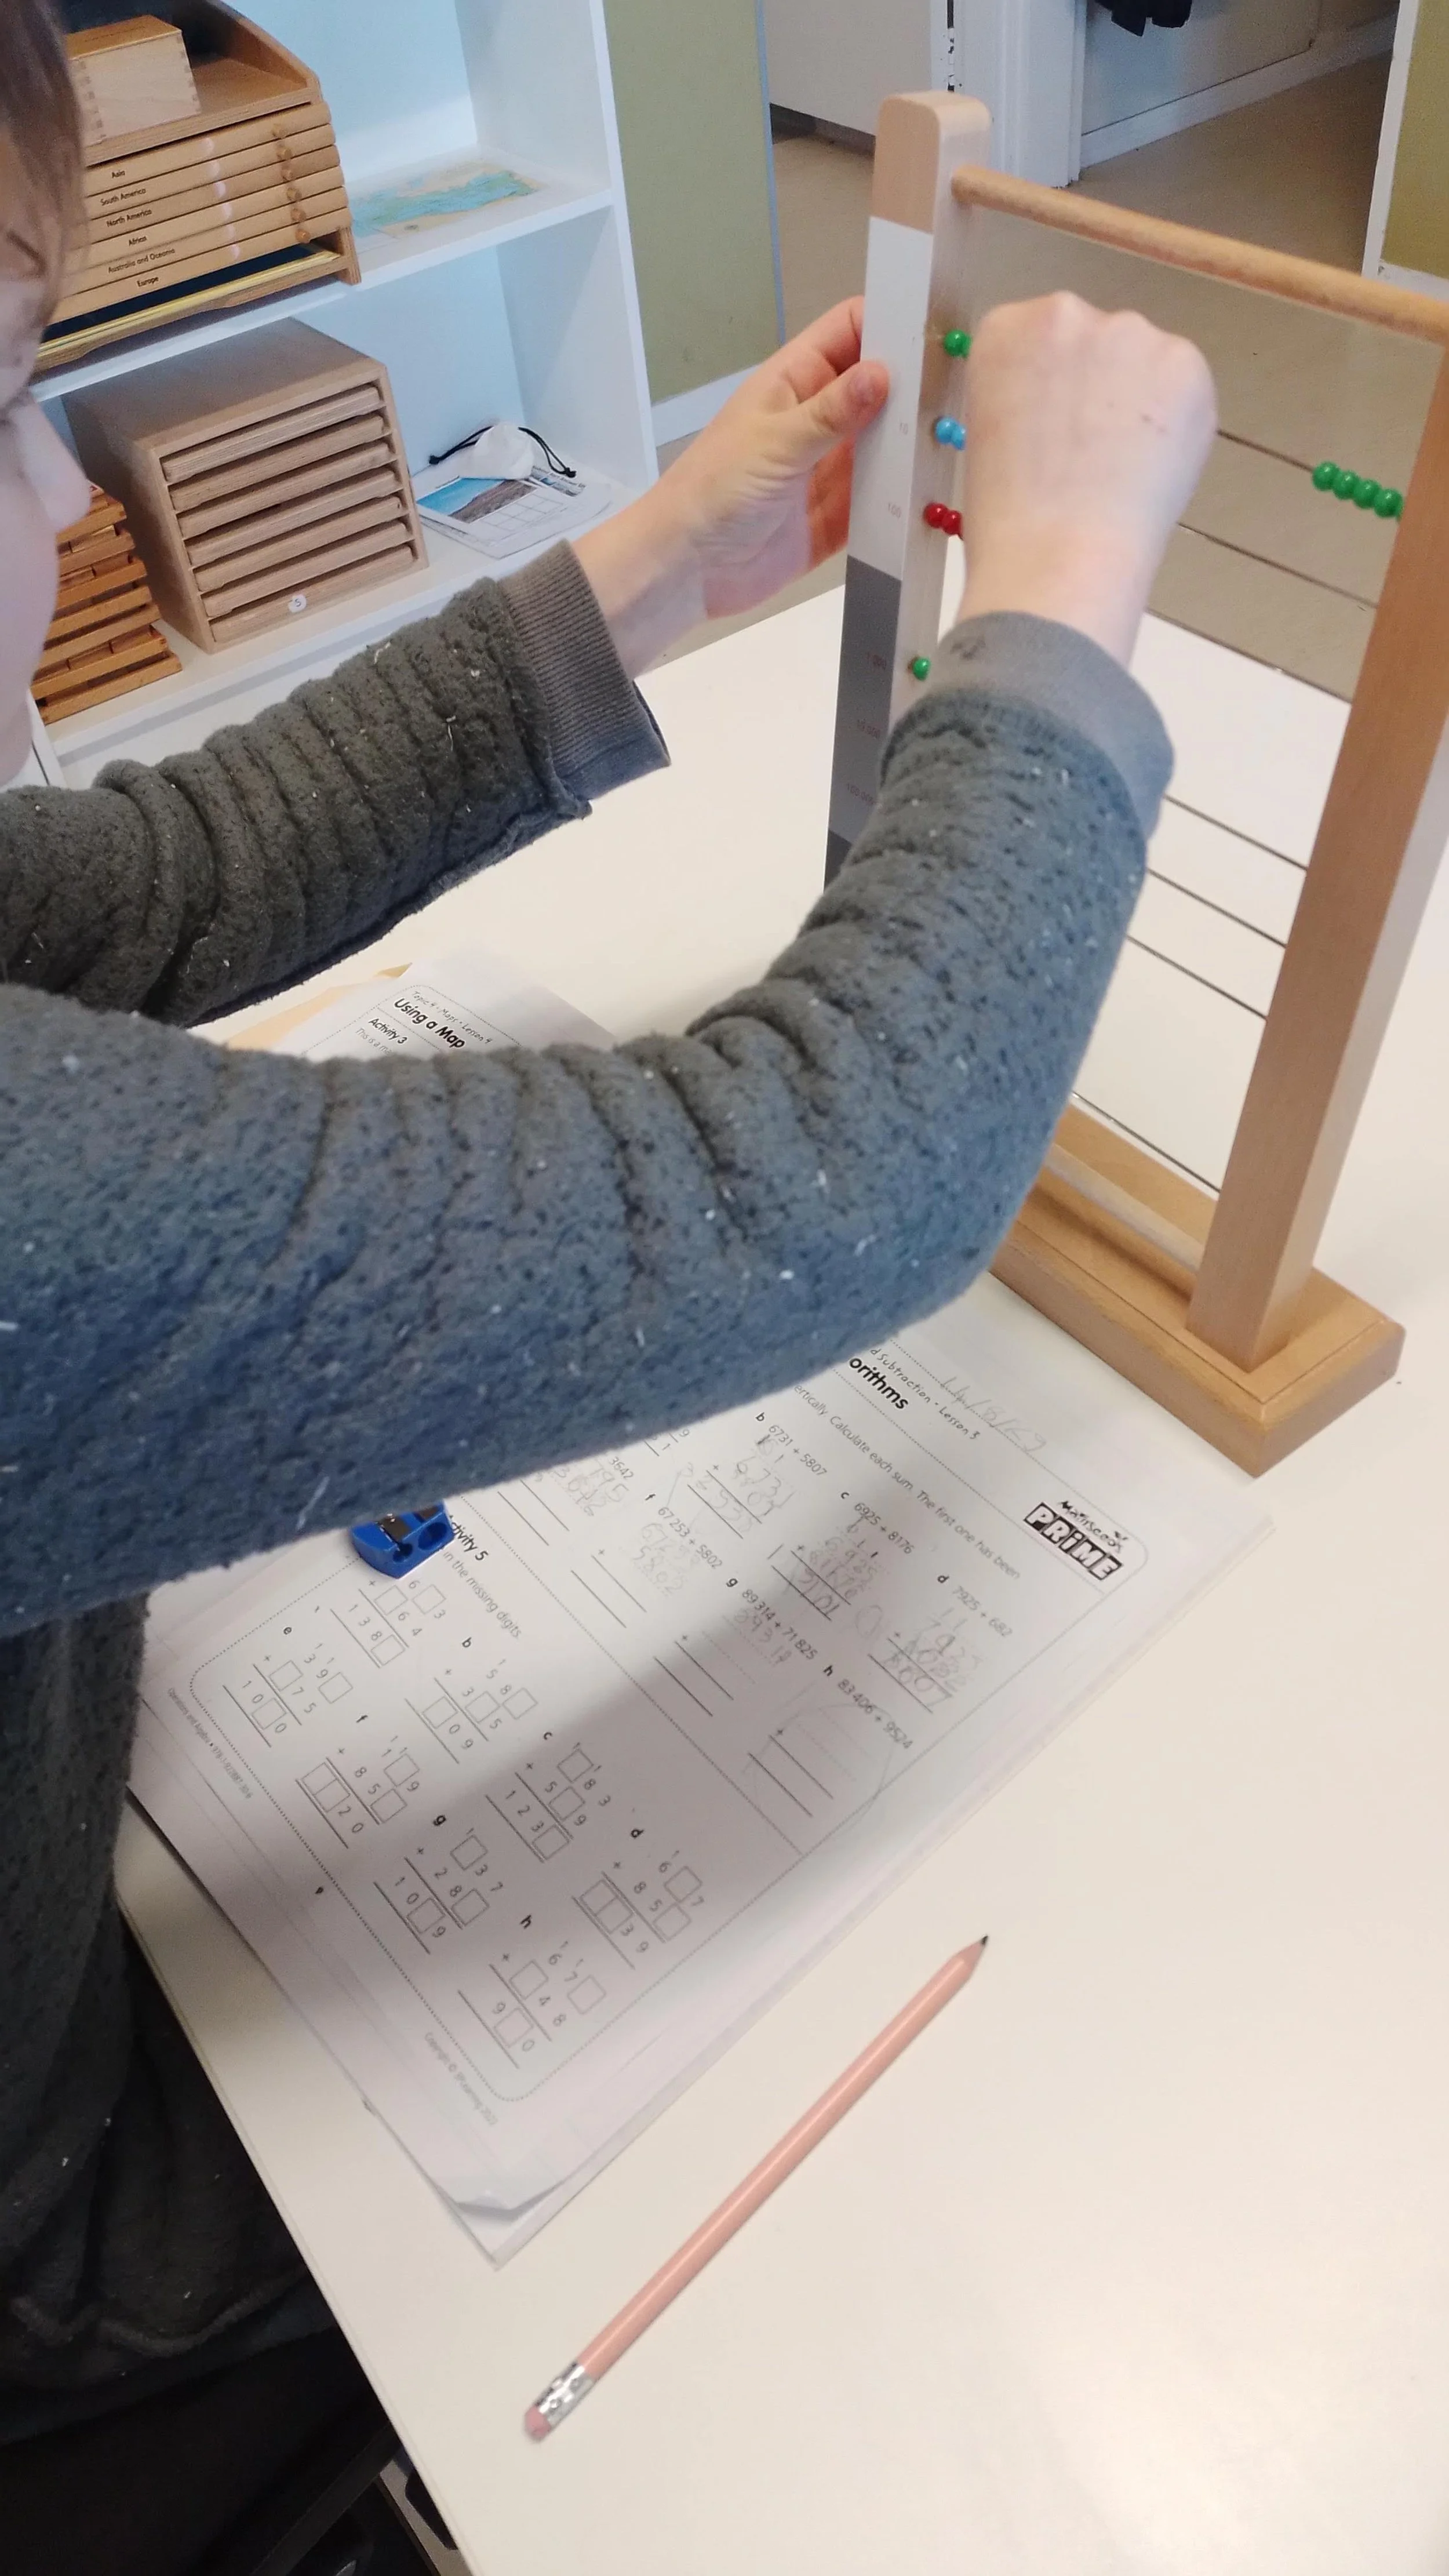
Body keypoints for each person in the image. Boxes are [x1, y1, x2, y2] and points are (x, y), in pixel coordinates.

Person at [0, 0, 1217, 2476]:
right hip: (76, 2258)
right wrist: (1071, 596)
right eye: (5, 387)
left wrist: (670, 551)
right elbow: (803, 1184)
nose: (63, 503)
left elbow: (148, 891)